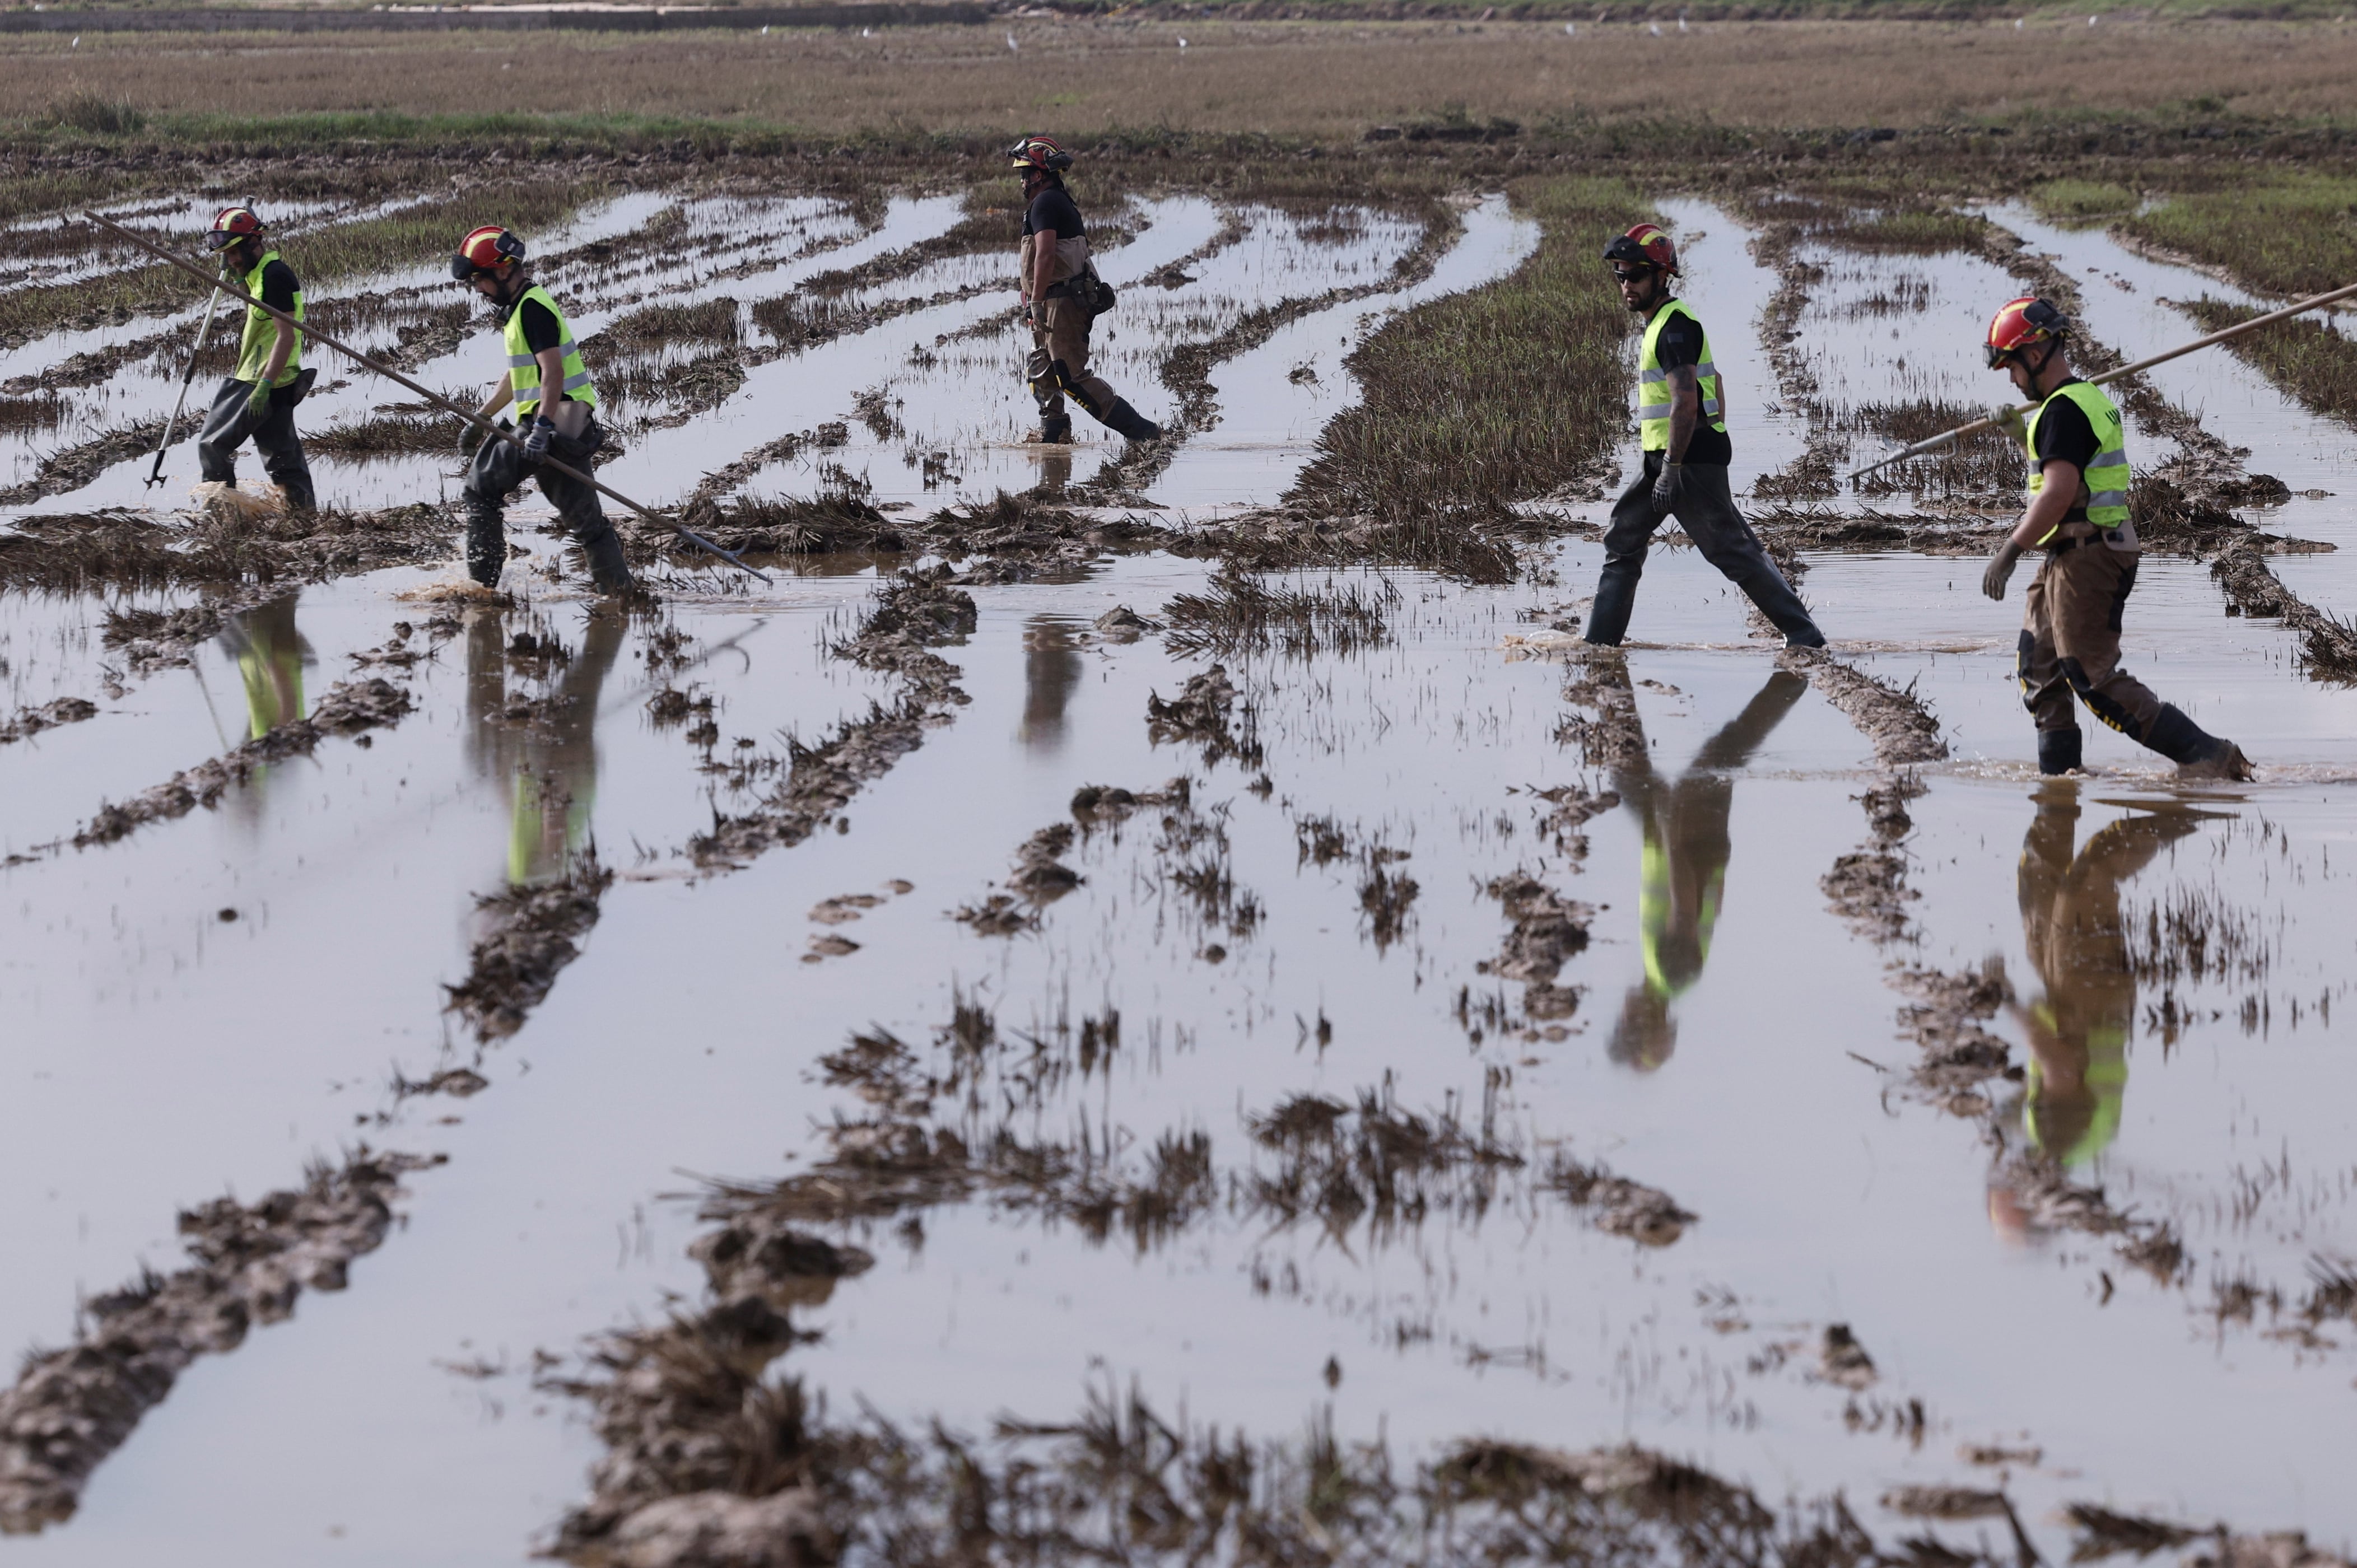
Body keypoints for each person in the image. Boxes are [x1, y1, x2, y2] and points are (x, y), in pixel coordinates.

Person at [1978, 297, 2250, 780]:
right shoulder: (2078, 403)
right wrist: (2023, 436)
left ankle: (2210, 756)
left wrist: (2009, 551)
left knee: (2091, 679)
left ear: (2036, 354)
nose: (2012, 379)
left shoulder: (2064, 411)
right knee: (2040, 669)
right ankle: (2060, 786)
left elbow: (2060, 494)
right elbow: (2071, 471)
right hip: (2072, 553)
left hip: (2090, 553)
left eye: (2011, 366)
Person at [1583, 223, 1823, 650]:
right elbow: (1718, 383)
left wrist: (1676, 467)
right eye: (1620, 276)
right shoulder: (1663, 325)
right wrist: (1708, 438)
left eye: (1635, 275)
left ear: (1662, 277)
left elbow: (1686, 401)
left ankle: (1805, 638)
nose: (1626, 285)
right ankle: (1600, 645)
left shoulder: (1674, 327)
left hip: (1682, 462)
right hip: (1669, 458)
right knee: (1624, 539)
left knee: (1730, 551)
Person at [1605, 667, 1806, 1070]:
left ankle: (1610, 674)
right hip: (1690, 842)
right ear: (1643, 1018)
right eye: (1627, 1021)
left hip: (1683, 839)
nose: (1622, 1011)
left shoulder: (1664, 976)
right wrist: (1672, 834)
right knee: (1725, 752)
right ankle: (1794, 679)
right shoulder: (1672, 974)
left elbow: (1706, 905)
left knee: (1634, 770)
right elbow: (1685, 910)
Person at [450, 225, 633, 595]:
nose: (479, 291)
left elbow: (553, 371)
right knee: (588, 524)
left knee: (479, 491)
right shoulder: (524, 308)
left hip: (552, 424)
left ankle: (482, 590)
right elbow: (521, 375)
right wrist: (482, 417)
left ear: (502, 271)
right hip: (567, 427)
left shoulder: (532, 311)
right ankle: (621, 594)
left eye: (479, 281)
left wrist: (543, 427)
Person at [1009, 134, 1161, 445]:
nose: (1022, 181)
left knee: (1071, 377)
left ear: (1039, 175)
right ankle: (1055, 435)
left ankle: (1144, 433)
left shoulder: (1046, 202)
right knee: (1043, 370)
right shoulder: (1052, 202)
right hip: (1051, 302)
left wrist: (1036, 301)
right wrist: (1031, 302)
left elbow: (1046, 254)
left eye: (1025, 174)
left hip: (1060, 303)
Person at [195, 206, 316, 512]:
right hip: (278, 379)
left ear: (253, 244)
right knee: (283, 461)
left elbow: (286, 336)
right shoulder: (261, 273)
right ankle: (304, 519)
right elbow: (252, 297)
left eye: (235, 252)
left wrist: (263, 386)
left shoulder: (275, 277)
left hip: (261, 380)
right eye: (226, 254)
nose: (232, 259)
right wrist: (237, 271)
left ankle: (221, 517)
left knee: (212, 445)